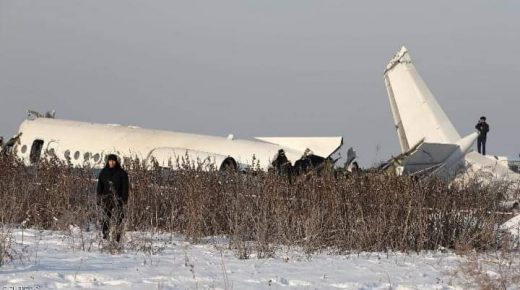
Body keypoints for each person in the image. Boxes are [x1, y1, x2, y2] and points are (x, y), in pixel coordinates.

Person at [97, 154, 129, 242]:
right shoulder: (103, 172)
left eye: (113, 161)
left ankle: (117, 237)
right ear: (107, 161)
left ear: (116, 161)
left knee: (119, 217)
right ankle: (105, 236)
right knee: (106, 218)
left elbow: (125, 187)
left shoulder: (122, 173)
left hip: (118, 199)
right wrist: (99, 198)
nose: (111, 162)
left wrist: (124, 200)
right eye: (110, 160)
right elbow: (100, 186)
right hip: (106, 198)